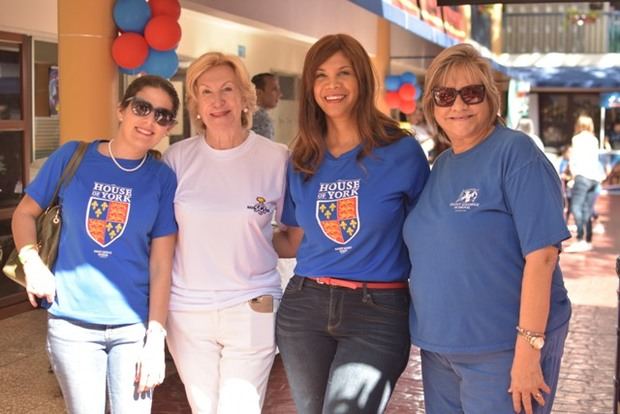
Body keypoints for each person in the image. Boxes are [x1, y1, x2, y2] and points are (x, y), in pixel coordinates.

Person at [403, 44, 571, 414]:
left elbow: (542, 257)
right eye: (445, 96)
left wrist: (528, 351)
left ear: (491, 98)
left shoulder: (516, 153)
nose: (458, 106)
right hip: (440, 350)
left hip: (502, 350)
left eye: (471, 93)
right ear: (432, 105)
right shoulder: (442, 164)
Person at [273, 33, 429, 414]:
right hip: (304, 305)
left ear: (362, 79)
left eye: (344, 73)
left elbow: (428, 235)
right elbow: (293, 239)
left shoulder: (402, 150)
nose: (332, 85)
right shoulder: (303, 157)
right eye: (321, 75)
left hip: (377, 309)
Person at [11, 74, 179, 413]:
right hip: (72, 324)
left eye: (162, 116)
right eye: (142, 108)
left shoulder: (162, 177)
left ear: (169, 127)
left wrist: (155, 339)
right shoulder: (73, 156)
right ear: (121, 109)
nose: (150, 121)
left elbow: (162, 265)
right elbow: (24, 214)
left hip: (133, 328)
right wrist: (32, 263)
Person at [162, 52, 288, 414]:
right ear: (196, 104)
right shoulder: (176, 160)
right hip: (187, 310)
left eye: (227, 90)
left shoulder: (277, 158)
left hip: (253, 303)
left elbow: (292, 234)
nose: (218, 101)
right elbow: (163, 239)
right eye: (206, 92)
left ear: (246, 97)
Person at [564, 115, 605, 253]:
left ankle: (581, 238)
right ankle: (588, 239)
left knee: (576, 207)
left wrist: (573, 174)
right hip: (595, 177)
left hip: (582, 176)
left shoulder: (577, 139)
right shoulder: (594, 139)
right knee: (587, 209)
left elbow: (574, 159)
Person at [250, 72, 281, 140]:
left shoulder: (246, 114)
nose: (279, 94)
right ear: (258, 93)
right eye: (274, 89)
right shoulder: (261, 119)